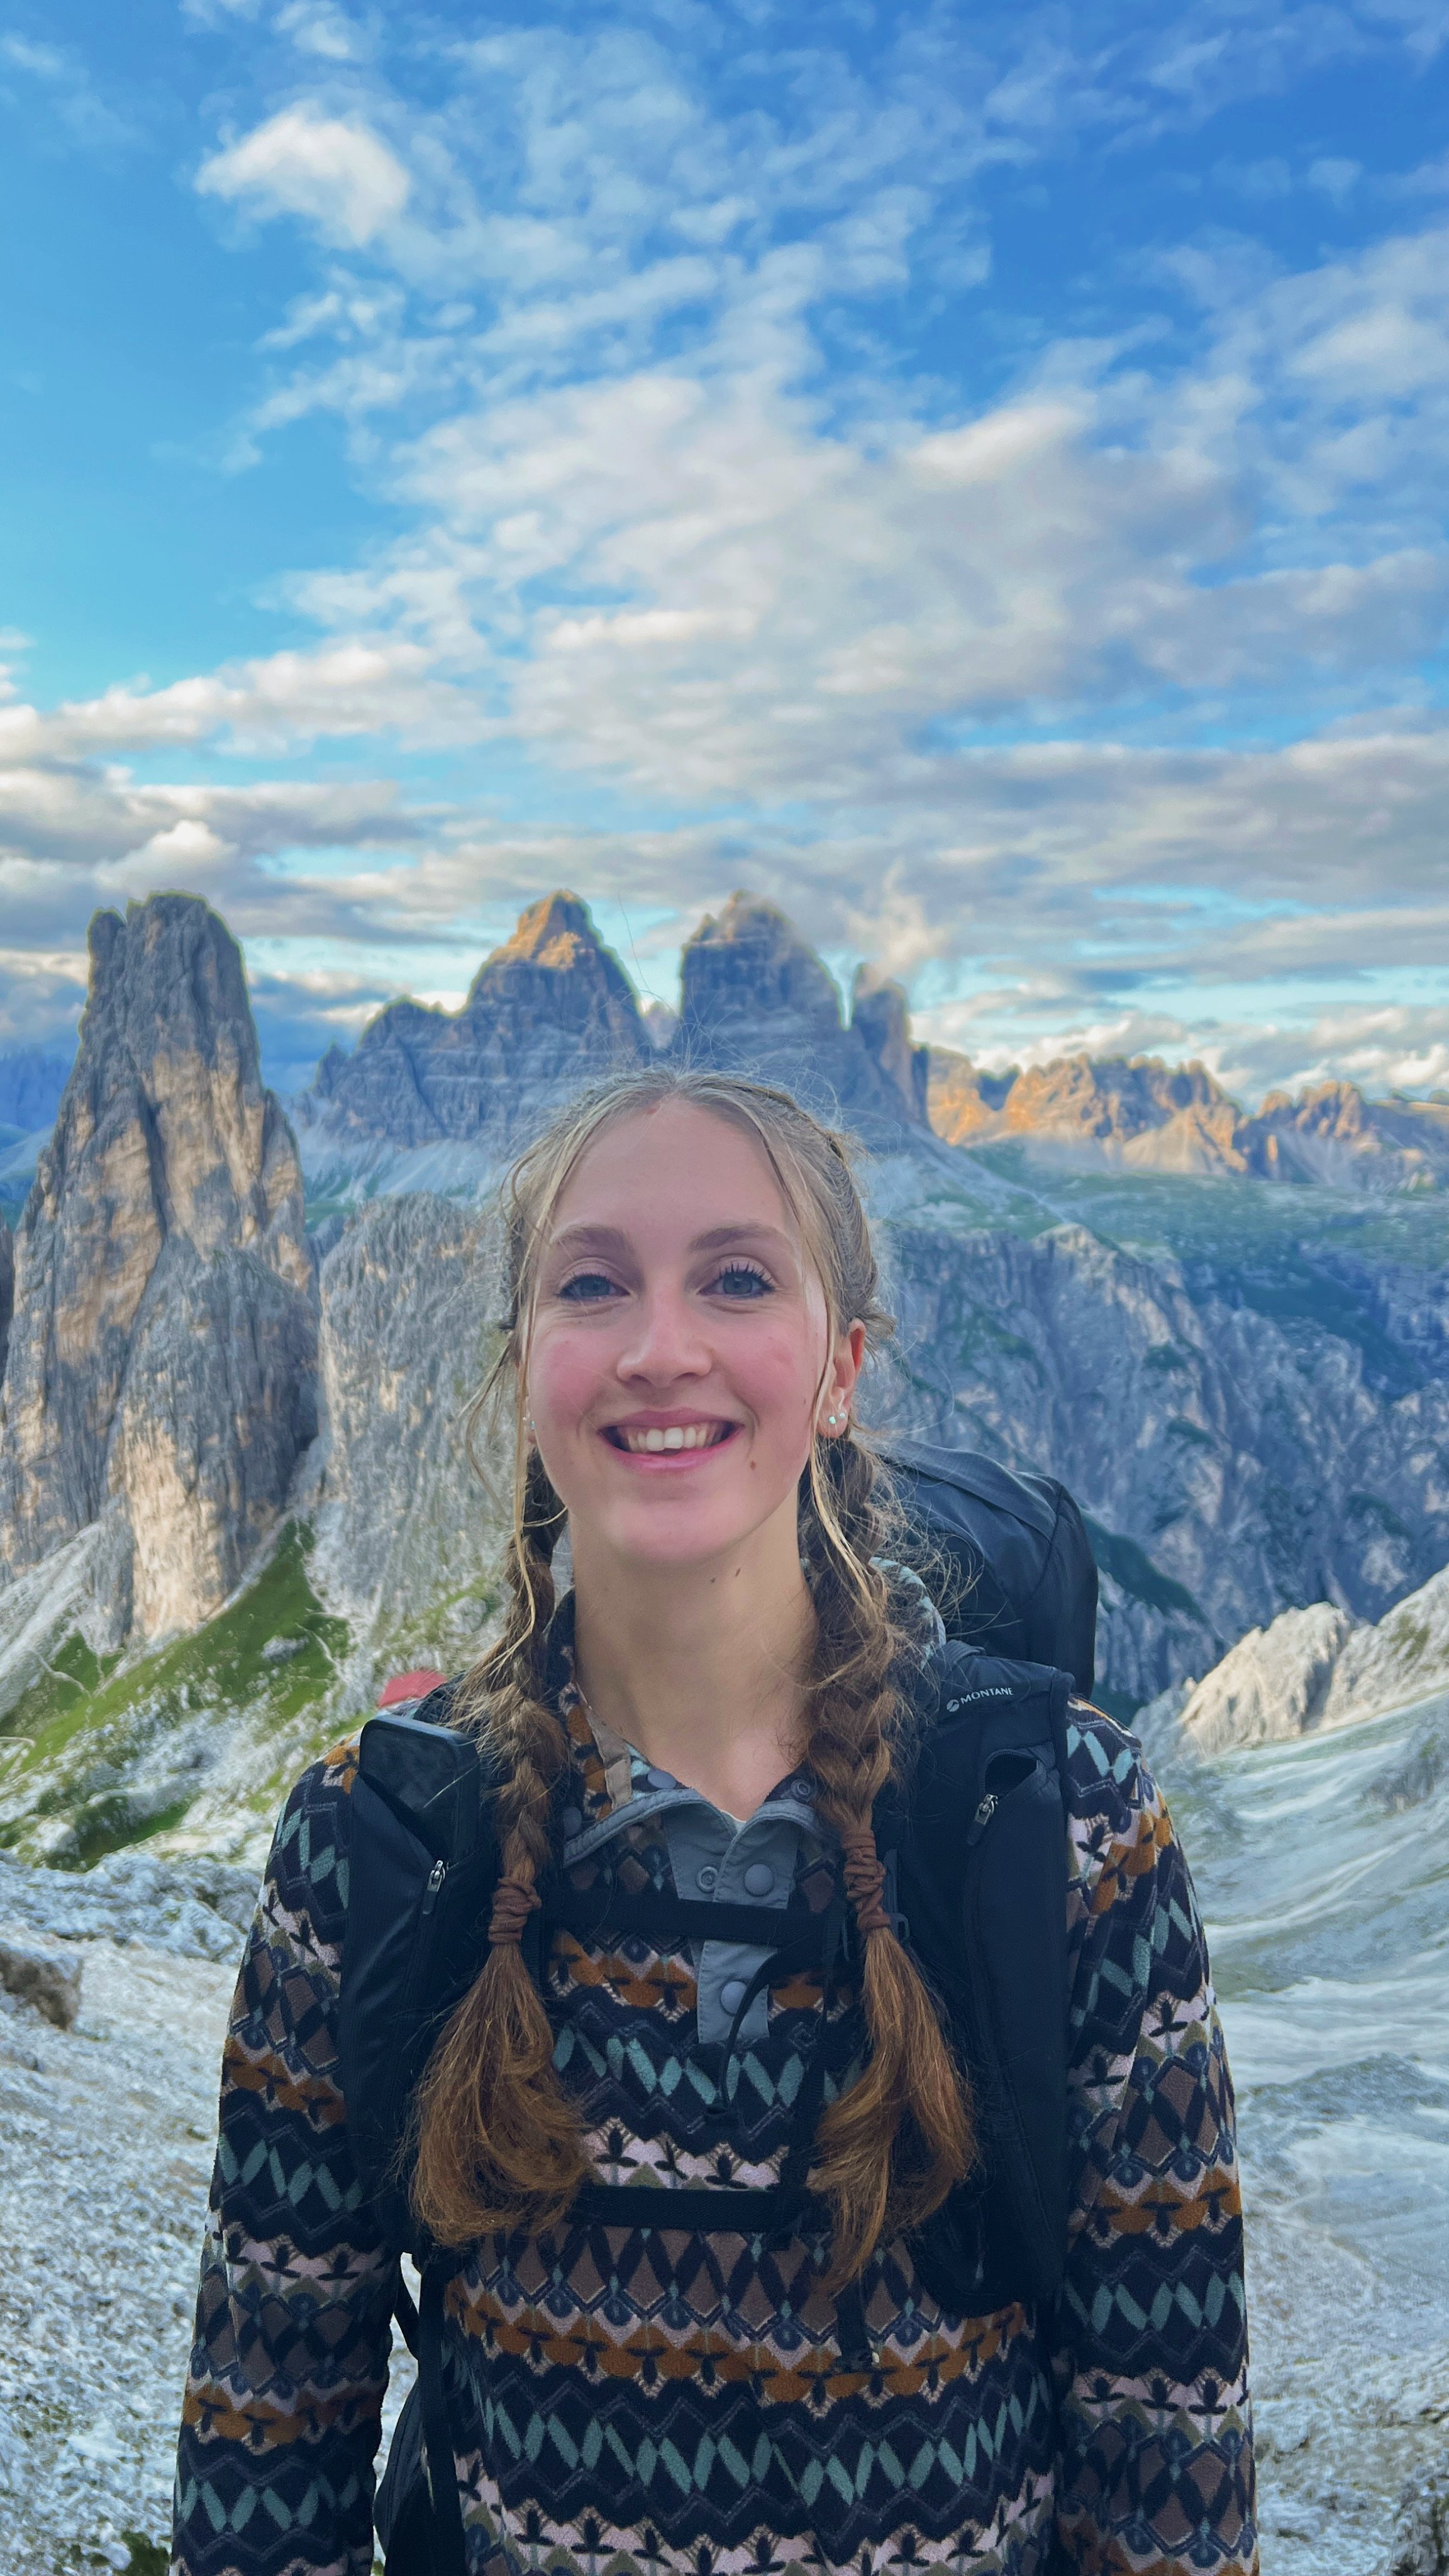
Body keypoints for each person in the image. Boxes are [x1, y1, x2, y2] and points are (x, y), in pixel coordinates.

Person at [172, 1065, 1257, 2576]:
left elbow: (1171, 2457)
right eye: (592, 1285)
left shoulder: (1066, 1823)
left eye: (737, 1278)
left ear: (840, 1368)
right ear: (525, 1361)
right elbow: (263, 2445)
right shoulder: (375, 1845)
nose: (660, 1348)